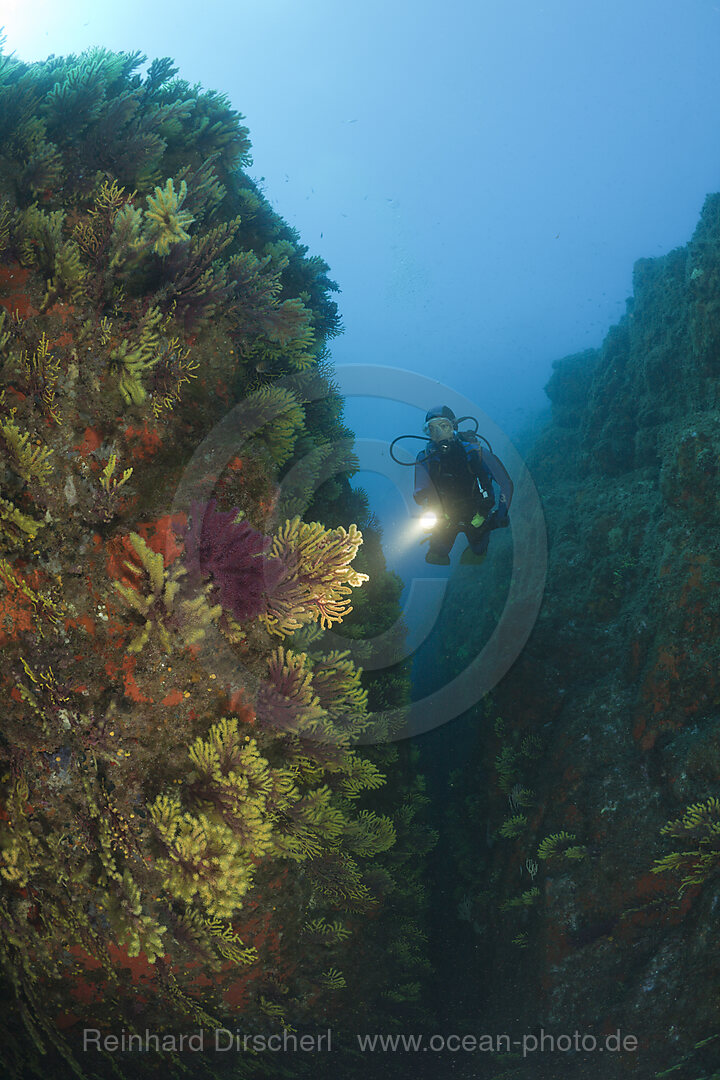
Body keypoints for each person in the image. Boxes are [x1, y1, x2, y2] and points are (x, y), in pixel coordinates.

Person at [413, 405, 513, 565]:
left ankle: (478, 548)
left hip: (478, 516)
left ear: (454, 426)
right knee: (438, 554)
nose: (438, 434)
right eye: (431, 429)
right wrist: (426, 505)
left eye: (443, 426)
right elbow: (419, 492)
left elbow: (505, 483)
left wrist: (500, 514)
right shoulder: (425, 458)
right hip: (444, 519)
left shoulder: (476, 452)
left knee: (478, 552)